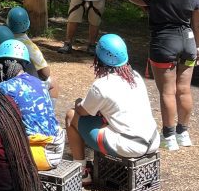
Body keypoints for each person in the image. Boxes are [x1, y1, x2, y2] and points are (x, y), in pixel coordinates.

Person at [127, 0, 199, 151]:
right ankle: (183, 133)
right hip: (187, 43)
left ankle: (169, 136)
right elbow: (198, 24)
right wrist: (198, 46)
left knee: (168, 93)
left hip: (163, 44)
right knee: (184, 89)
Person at [64, 34, 160, 182]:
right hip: (152, 141)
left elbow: (82, 112)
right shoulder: (135, 76)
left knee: (71, 116)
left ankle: (82, 173)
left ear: (99, 58)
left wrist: (78, 102)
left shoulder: (102, 85)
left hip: (130, 145)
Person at [0, 40, 65, 171]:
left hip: (36, 155)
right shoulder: (40, 83)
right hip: (56, 151)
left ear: (4, 64)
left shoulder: (5, 87)